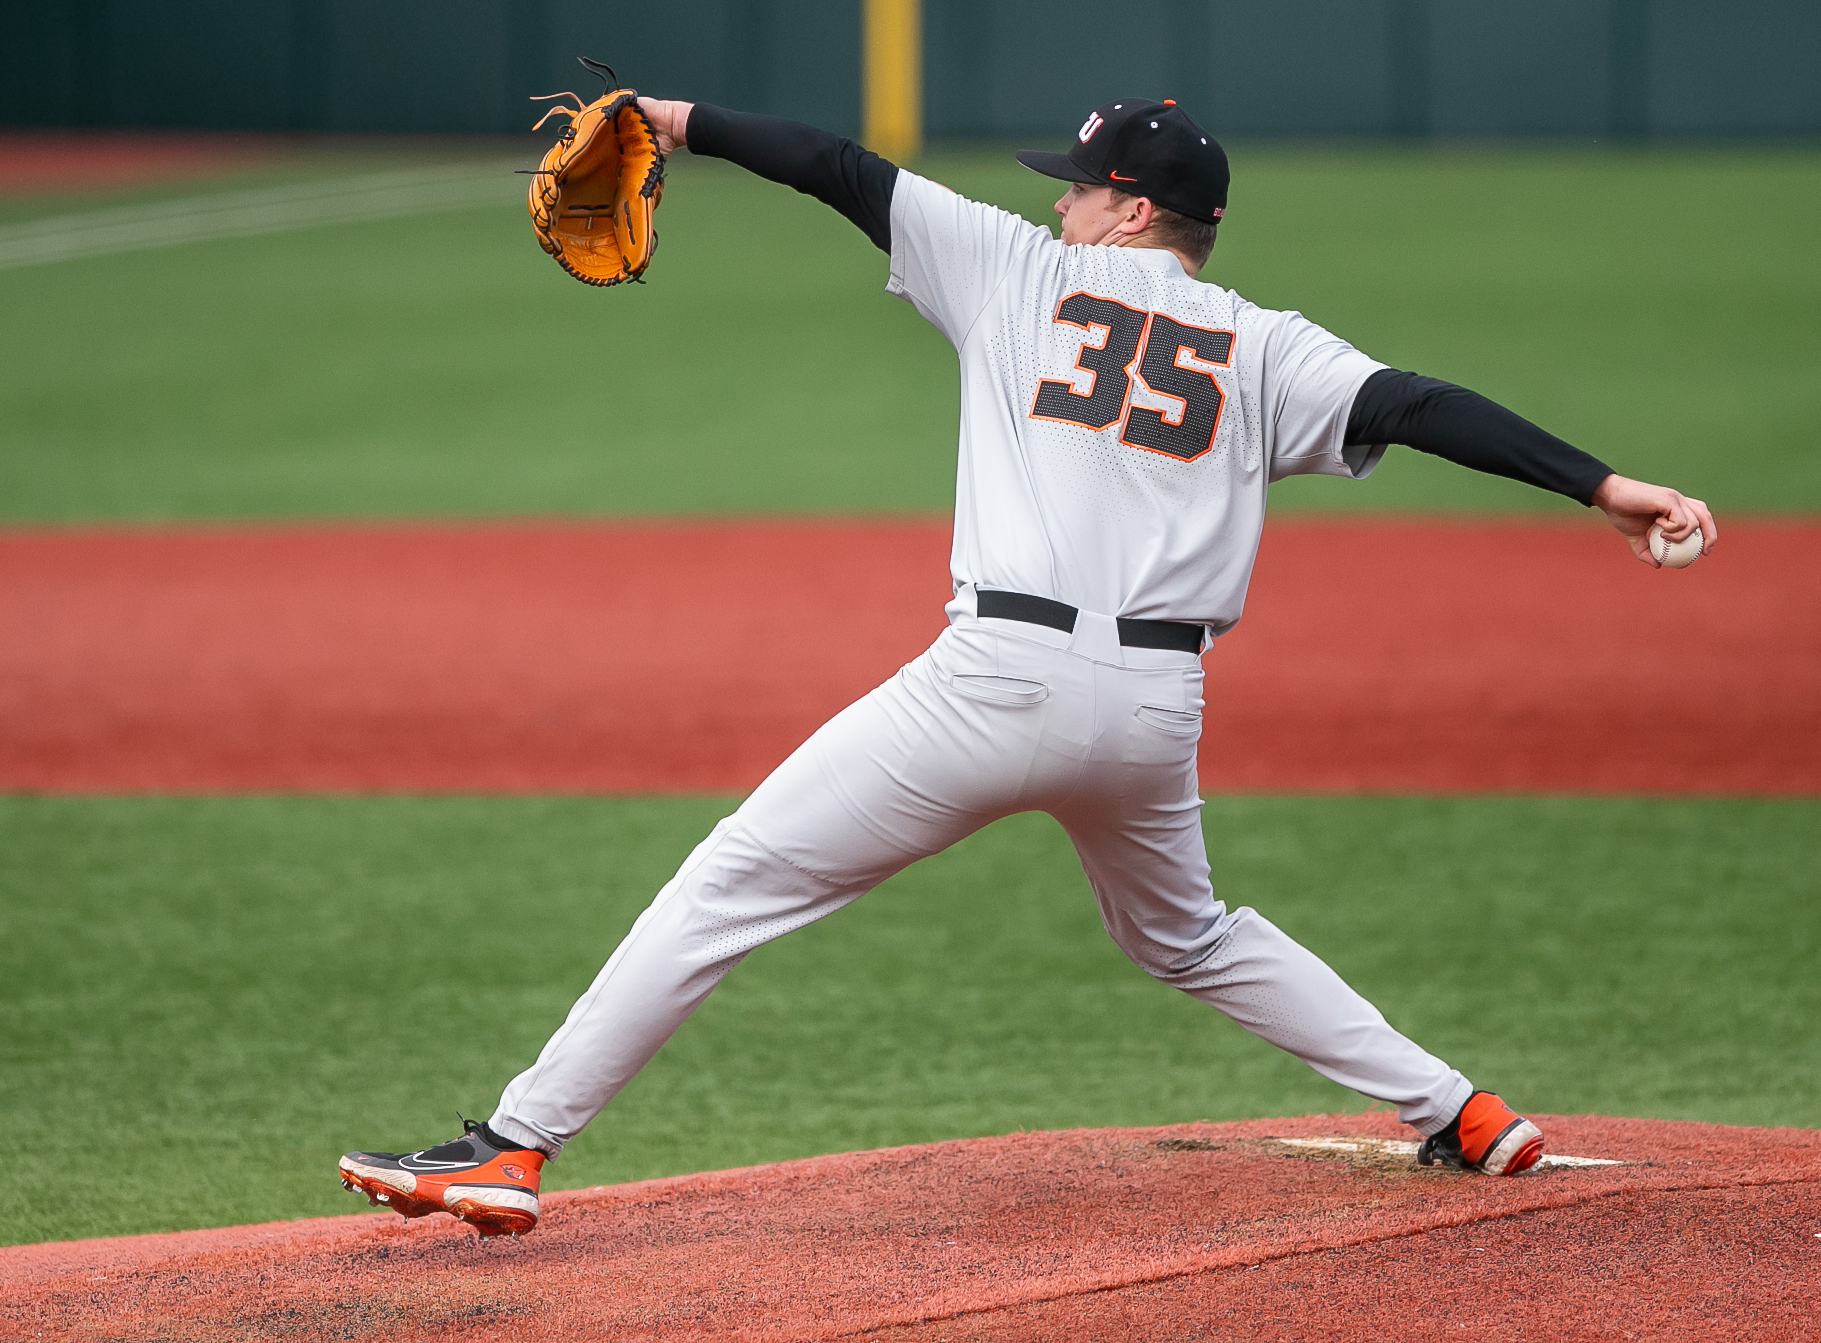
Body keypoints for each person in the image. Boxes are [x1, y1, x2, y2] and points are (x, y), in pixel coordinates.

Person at [339, 95, 1716, 1236]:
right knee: (1187, 934)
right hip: (1150, 713)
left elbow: (833, 167)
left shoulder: (1012, 266)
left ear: (1127, 208)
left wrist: (665, 115)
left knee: (732, 883)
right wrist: (1598, 485)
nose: (1056, 203)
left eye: (1075, 187)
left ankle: (511, 1146)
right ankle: (1461, 1112)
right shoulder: (1265, 345)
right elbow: (1421, 408)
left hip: (990, 683)